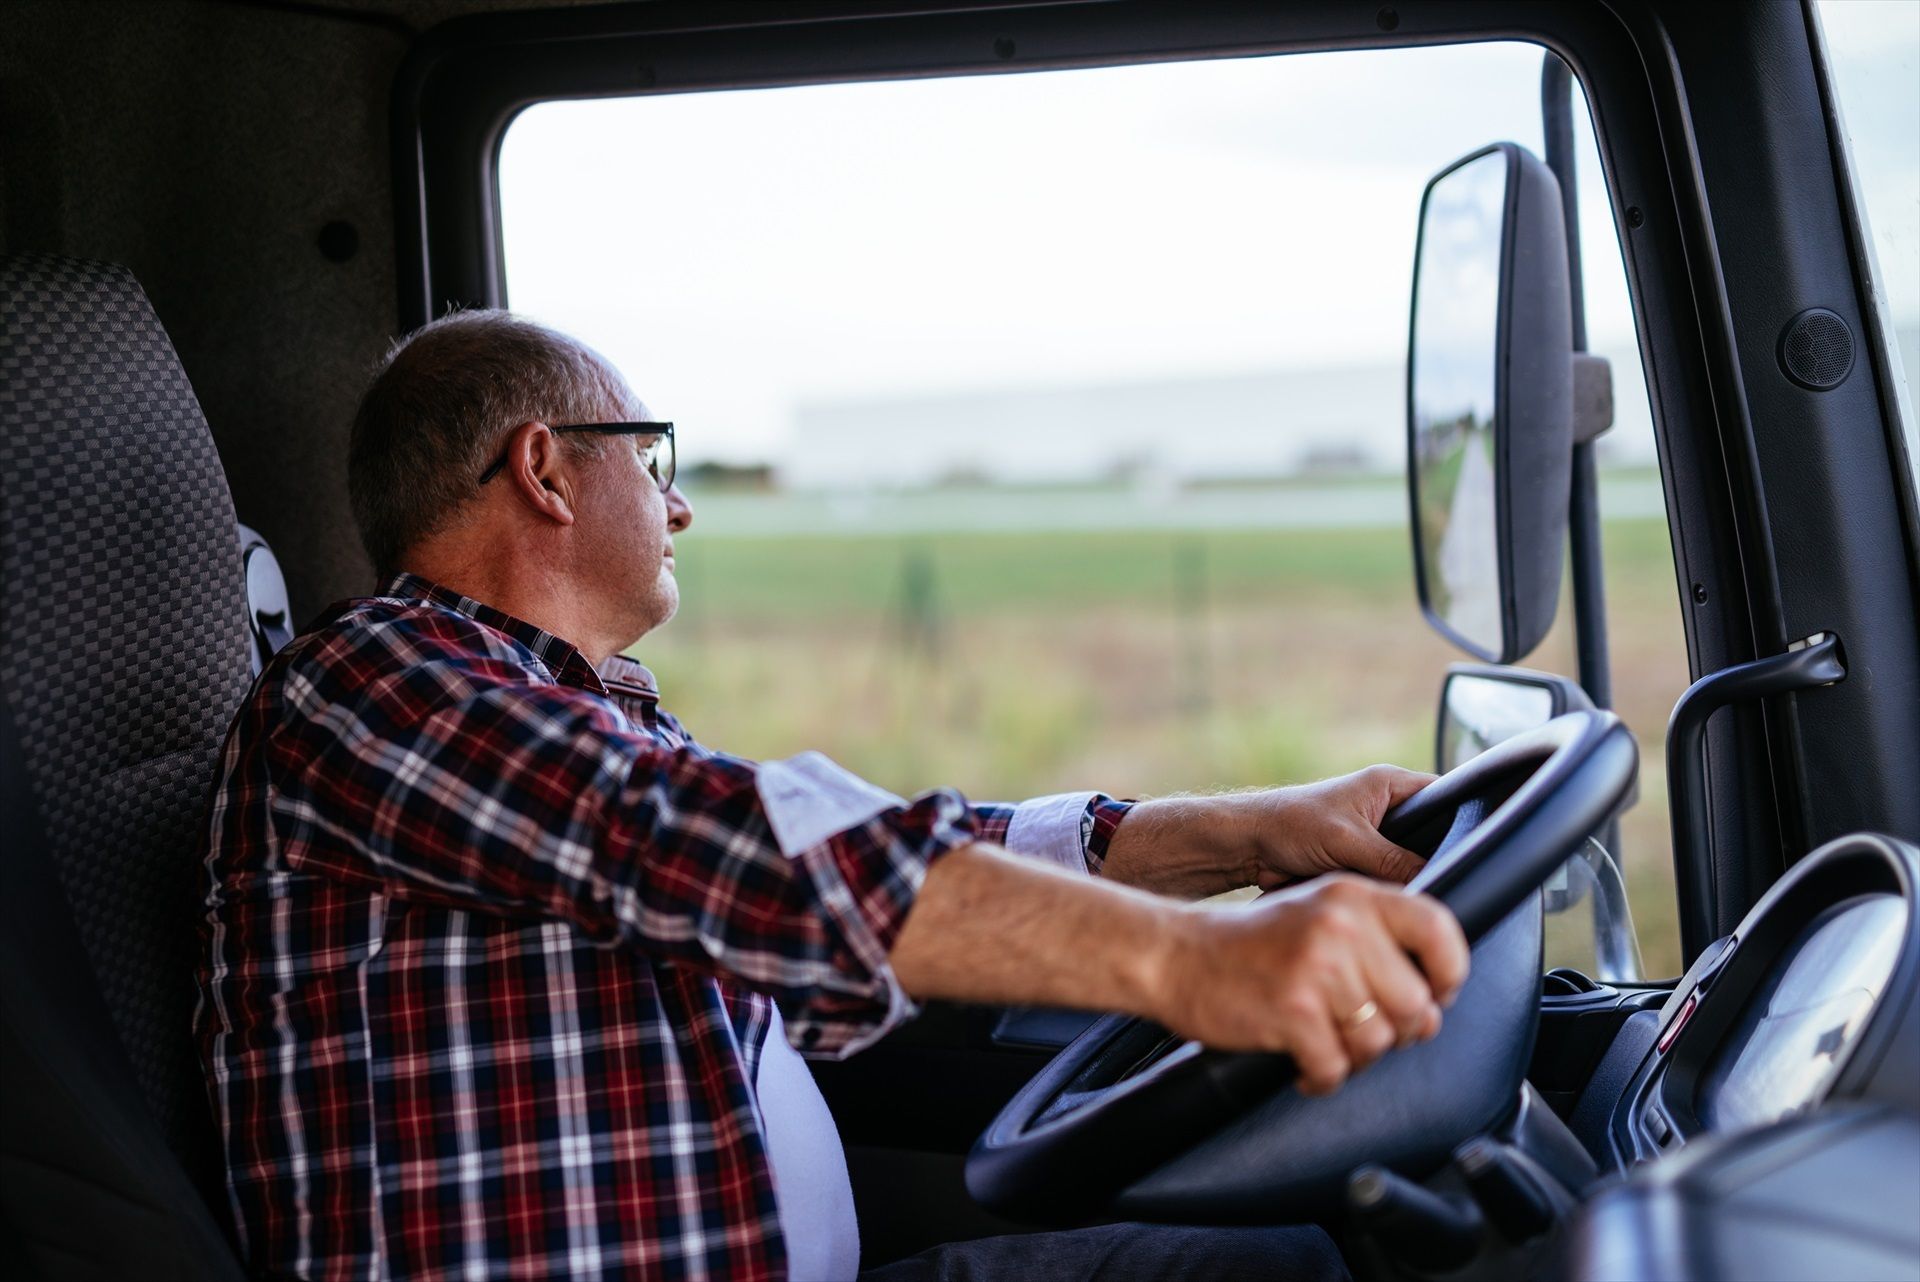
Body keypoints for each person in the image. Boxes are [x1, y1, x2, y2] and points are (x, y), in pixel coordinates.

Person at [195, 311, 1470, 1282]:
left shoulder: (571, 708)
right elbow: (753, 858)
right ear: (545, 469)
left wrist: (1250, 834)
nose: (681, 501)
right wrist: (1202, 964)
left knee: (1309, 1251)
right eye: (653, 458)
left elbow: (873, 846)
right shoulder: (374, 685)